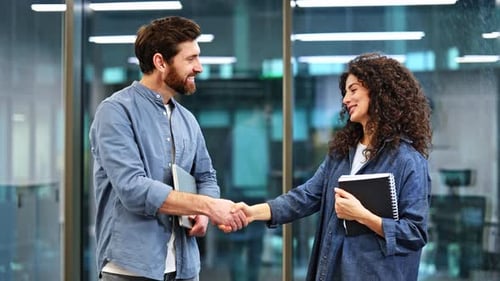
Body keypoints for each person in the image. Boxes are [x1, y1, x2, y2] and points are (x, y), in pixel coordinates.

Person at [227, 53, 432, 281]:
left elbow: (415, 233)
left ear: (379, 91)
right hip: (332, 270)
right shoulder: (341, 154)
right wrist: (252, 212)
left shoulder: (407, 160)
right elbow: (304, 197)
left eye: (353, 90)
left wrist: (363, 216)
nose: (345, 99)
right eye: (345, 92)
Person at [89, 16, 247, 281]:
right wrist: (208, 205)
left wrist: (202, 214)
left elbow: (206, 175)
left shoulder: (187, 120)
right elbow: (133, 189)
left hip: (184, 268)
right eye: (190, 59)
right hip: (131, 270)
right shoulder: (115, 112)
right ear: (160, 62)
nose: (199, 67)